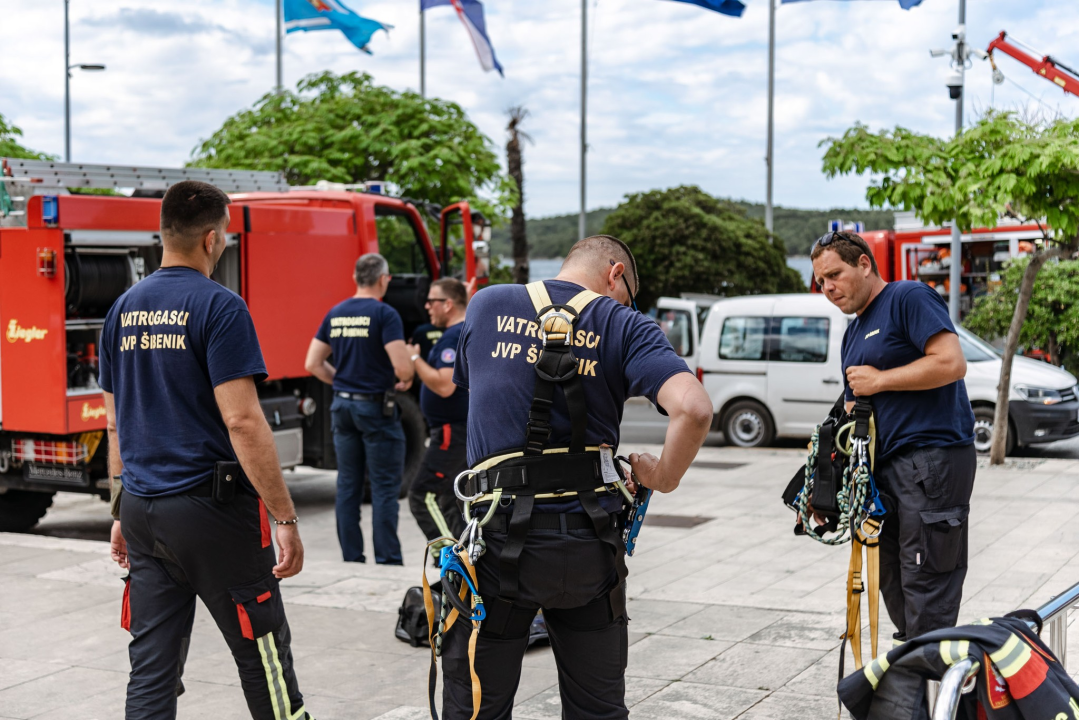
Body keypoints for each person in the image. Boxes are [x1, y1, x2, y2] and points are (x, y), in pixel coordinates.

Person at [441, 235, 714, 718]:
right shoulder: (626, 325)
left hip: (497, 543)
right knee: (598, 709)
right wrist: (662, 477)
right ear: (615, 273)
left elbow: (478, 389)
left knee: (477, 708)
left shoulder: (487, 304)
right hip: (590, 544)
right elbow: (693, 409)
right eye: (627, 296)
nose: (625, 306)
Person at [100, 180, 311, 719]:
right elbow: (242, 420)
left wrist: (120, 509)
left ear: (163, 233)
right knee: (262, 651)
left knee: (152, 667)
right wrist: (284, 517)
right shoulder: (220, 307)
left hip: (143, 512)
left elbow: (115, 424)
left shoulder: (122, 309)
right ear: (212, 239)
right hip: (213, 513)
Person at [811, 230, 976, 644]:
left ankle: (932, 676)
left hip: (932, 459)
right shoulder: (853, 333)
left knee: (926, 580)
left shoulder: (908, 297)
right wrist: (825, 486)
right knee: (892, 579)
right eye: (821, 281)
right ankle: (916, 668)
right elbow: (853, 416)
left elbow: (951, 363)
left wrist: (881, 380)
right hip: (883, 470)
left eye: (835, 275)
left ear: (864, 264)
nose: (828, 288)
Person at [304, 254, 414, 564]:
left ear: (355, 278)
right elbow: (403, 369)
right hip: (375, 410)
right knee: (384, 487)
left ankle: (352, 557)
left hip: (342, 407)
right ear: (383, 280)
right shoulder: (384, 314)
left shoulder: (336, 312)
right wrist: (407, 368)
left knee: (348, 485)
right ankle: (387, 559)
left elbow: (312, 363)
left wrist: (343, 382)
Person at [405, 278, 469, 546]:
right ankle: (466, 559)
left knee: (422, 495)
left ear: (448, 304)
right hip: (458, 430)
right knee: (451, 498)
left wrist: (414, 358)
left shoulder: (453, 336)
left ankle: (447, 557)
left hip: (450, 432)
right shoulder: (465, 330)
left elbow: (444, 385)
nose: (427, 306)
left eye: (432, 301)